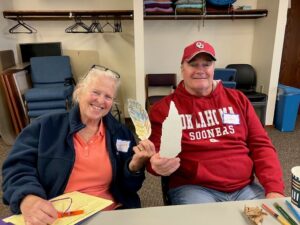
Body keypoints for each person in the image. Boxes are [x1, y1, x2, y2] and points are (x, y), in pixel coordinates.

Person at [2, 65, 155, 225]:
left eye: (108, 97)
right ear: (80, 90)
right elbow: (17, 168)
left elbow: (129, 188)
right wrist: (28, 198)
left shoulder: (121, 134)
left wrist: (134, 167)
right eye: (95, 92)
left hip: (110, 213)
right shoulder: (45, 126)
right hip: (58, 216)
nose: (101, 100)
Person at [147, 40, 285, 205]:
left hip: (244, 187)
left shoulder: (238, 100)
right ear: (182, 68)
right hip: (195, 188)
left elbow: (261, 146)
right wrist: (154, 164)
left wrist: (274, 189)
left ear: (214, 68)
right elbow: (153, 155)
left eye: (206, 64)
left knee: (272, 221)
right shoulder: (163, 109)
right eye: (193, 64)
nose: (200, 70)